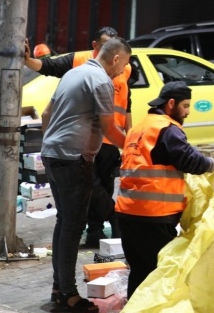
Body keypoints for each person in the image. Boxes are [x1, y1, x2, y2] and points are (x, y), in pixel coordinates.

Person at [116, 81, 214, 298]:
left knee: (140, 272)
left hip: (127, 213)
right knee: (160, 275)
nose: (188, 112)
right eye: (186, 106)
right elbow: (191, 162)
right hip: (155, 215)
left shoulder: (139, 128)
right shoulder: (167, 129)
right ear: (171, 103)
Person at [40, 37, 131, 313]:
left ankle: (60, 288)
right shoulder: (101, 81)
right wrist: (138, 148)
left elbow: (46, 114)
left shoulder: (73, 73)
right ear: (115, 58)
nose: (121, 73)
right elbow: (110, 129)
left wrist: (55, 142)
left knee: (64, 222)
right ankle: (66, 294)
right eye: (124, 65)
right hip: (72, 159)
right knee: (73, 226)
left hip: (53, 154)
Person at [24, 27, 133, 247]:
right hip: (85, 144)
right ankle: (114, 218)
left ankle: (96, 233)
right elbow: (48, 66)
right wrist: (27, 61)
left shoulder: (123, 69)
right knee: (87, 196)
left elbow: (126, 101)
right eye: (104, 45)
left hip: (107, 142)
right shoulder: (81, 65)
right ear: (95, 46)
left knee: (101, 187)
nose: (120, 69)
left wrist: (128, 133)